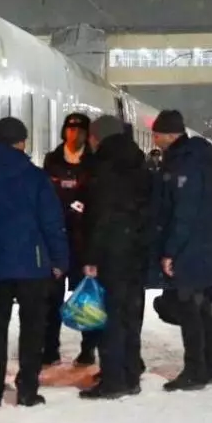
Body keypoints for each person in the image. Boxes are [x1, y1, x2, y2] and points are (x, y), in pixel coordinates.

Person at [0, 117, 69, 407]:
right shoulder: (35, 177)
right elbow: (52, 223)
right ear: (20, 142)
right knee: (32, 330)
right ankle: (27, 390)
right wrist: (59, 259)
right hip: (32, 266)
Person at [150, 110, 212, 391]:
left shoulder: (186, 164)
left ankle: (196, 371)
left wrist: (170, 251)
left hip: (192, 250)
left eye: (157, 134)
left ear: (170, 134)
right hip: (201, 247)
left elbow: (184, 212)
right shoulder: (194, 159)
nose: (154, 140)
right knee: (201, 310)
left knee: (191, 313)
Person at [78, 115, 151, 400]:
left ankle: (114, 380)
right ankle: (130, 373)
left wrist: (91, 256)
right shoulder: (138, 163)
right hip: (136, 252)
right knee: (131, 316)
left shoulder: (105, 168)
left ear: (97, 138)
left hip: (112, 253)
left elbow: (101, 218)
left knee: (110, 318)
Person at [41, 113, 97, 366]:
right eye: (71, 129)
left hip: (83, 240)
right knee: (51, 296)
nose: (75, 134)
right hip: (55, 238)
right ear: (65, 132)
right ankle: (50, 347)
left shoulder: (93, 162)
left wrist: (81, 207)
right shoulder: (52, 160)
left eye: (80, 130)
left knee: (86, 295)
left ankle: (88, 348)